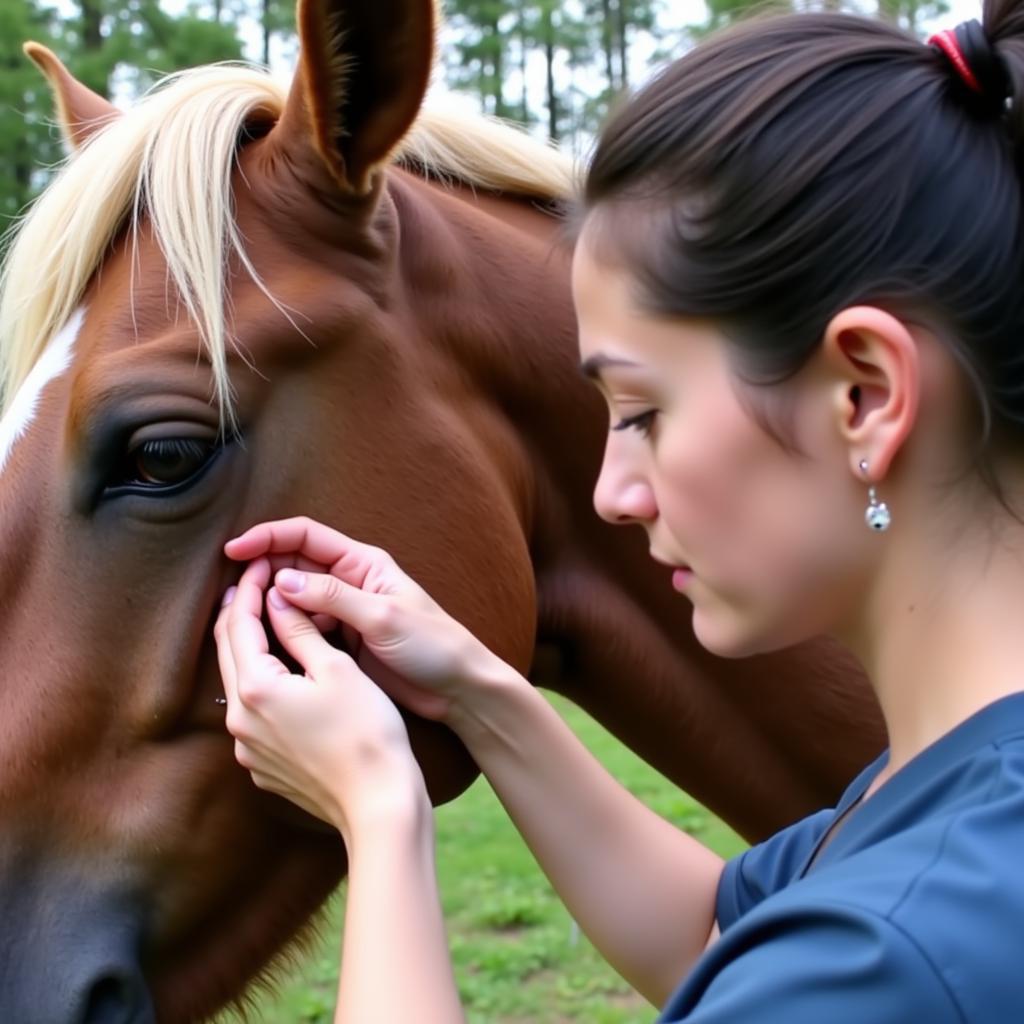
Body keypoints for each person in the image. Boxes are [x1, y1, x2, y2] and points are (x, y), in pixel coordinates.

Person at [214, 3, 1024, 1020]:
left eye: (641, 411)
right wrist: (478, 689)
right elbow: (712, 936)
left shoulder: (892, 955)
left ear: (862, 394)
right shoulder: (945, 799)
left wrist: (380, 813)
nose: (610, 492)